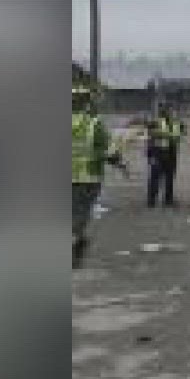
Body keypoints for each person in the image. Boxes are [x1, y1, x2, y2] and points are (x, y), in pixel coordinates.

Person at [70, 84, 119, 266]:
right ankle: (76, 245)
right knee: (81, 212)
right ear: (86, 103)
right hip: (89, 177)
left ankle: (76, 243)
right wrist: (116, 161)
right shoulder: (94, 124)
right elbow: (110, 151)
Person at [144, 103, 183, 208]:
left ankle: (168, 200)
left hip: (171, 152)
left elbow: (180, 136)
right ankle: (151, 201)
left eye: (170, 109)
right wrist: (169, 135)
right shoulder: (155, 121)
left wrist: (168, 136)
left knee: (170, 177)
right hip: (157, 152)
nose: (169, 111)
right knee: (155, 177)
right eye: (166, 109)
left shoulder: (177, 122)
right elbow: (152, 133)